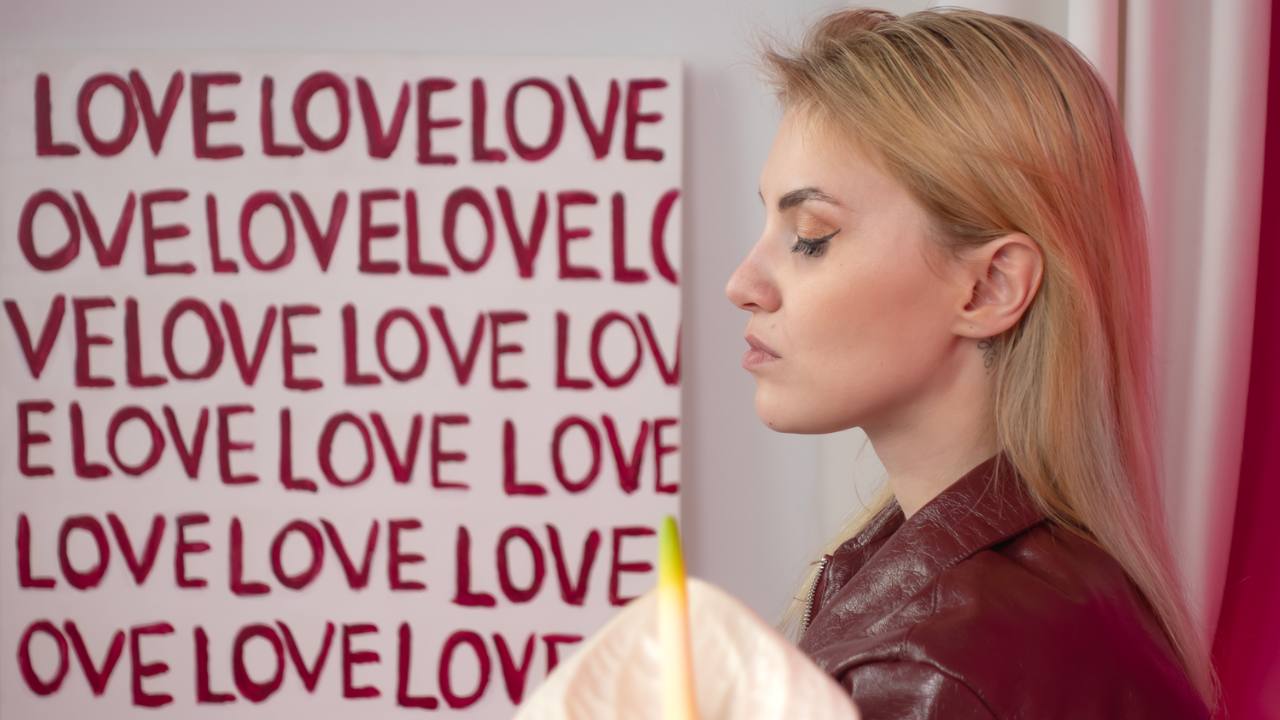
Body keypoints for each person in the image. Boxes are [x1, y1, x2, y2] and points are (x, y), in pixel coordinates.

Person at [725, 6, 1220, 718]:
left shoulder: (930, 671)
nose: (742, 284)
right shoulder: (1049, 592)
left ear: (991, 287)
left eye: (810, 235)